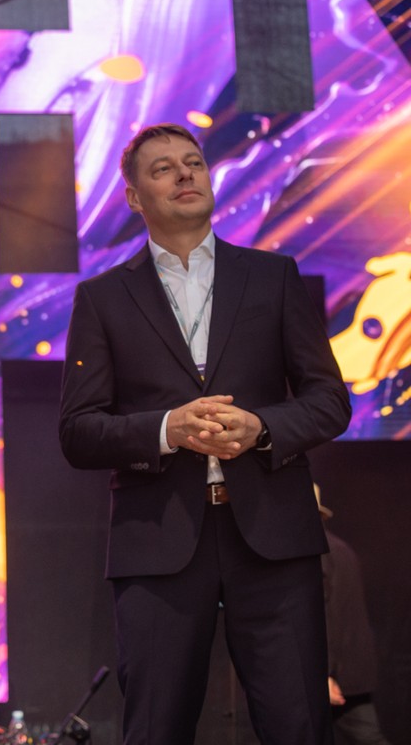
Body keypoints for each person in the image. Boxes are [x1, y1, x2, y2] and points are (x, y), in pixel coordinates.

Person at [58, 123, 352, 744]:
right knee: (155, 727)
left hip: (274, 534)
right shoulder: (103, 298)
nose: (185, 173)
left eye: (193, 162)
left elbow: (330, 401)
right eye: (163, 168)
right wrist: (168, 429)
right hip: (158, 540)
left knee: (299, 724)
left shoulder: (272, 276)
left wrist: (263, 427)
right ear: (134, 197)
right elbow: (79, 432)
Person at [317, 485, 393, 745]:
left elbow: (326, 616)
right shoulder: (340, 548)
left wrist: (323, 672)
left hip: (335, 674)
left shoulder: (316, 554)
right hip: (352, 671)